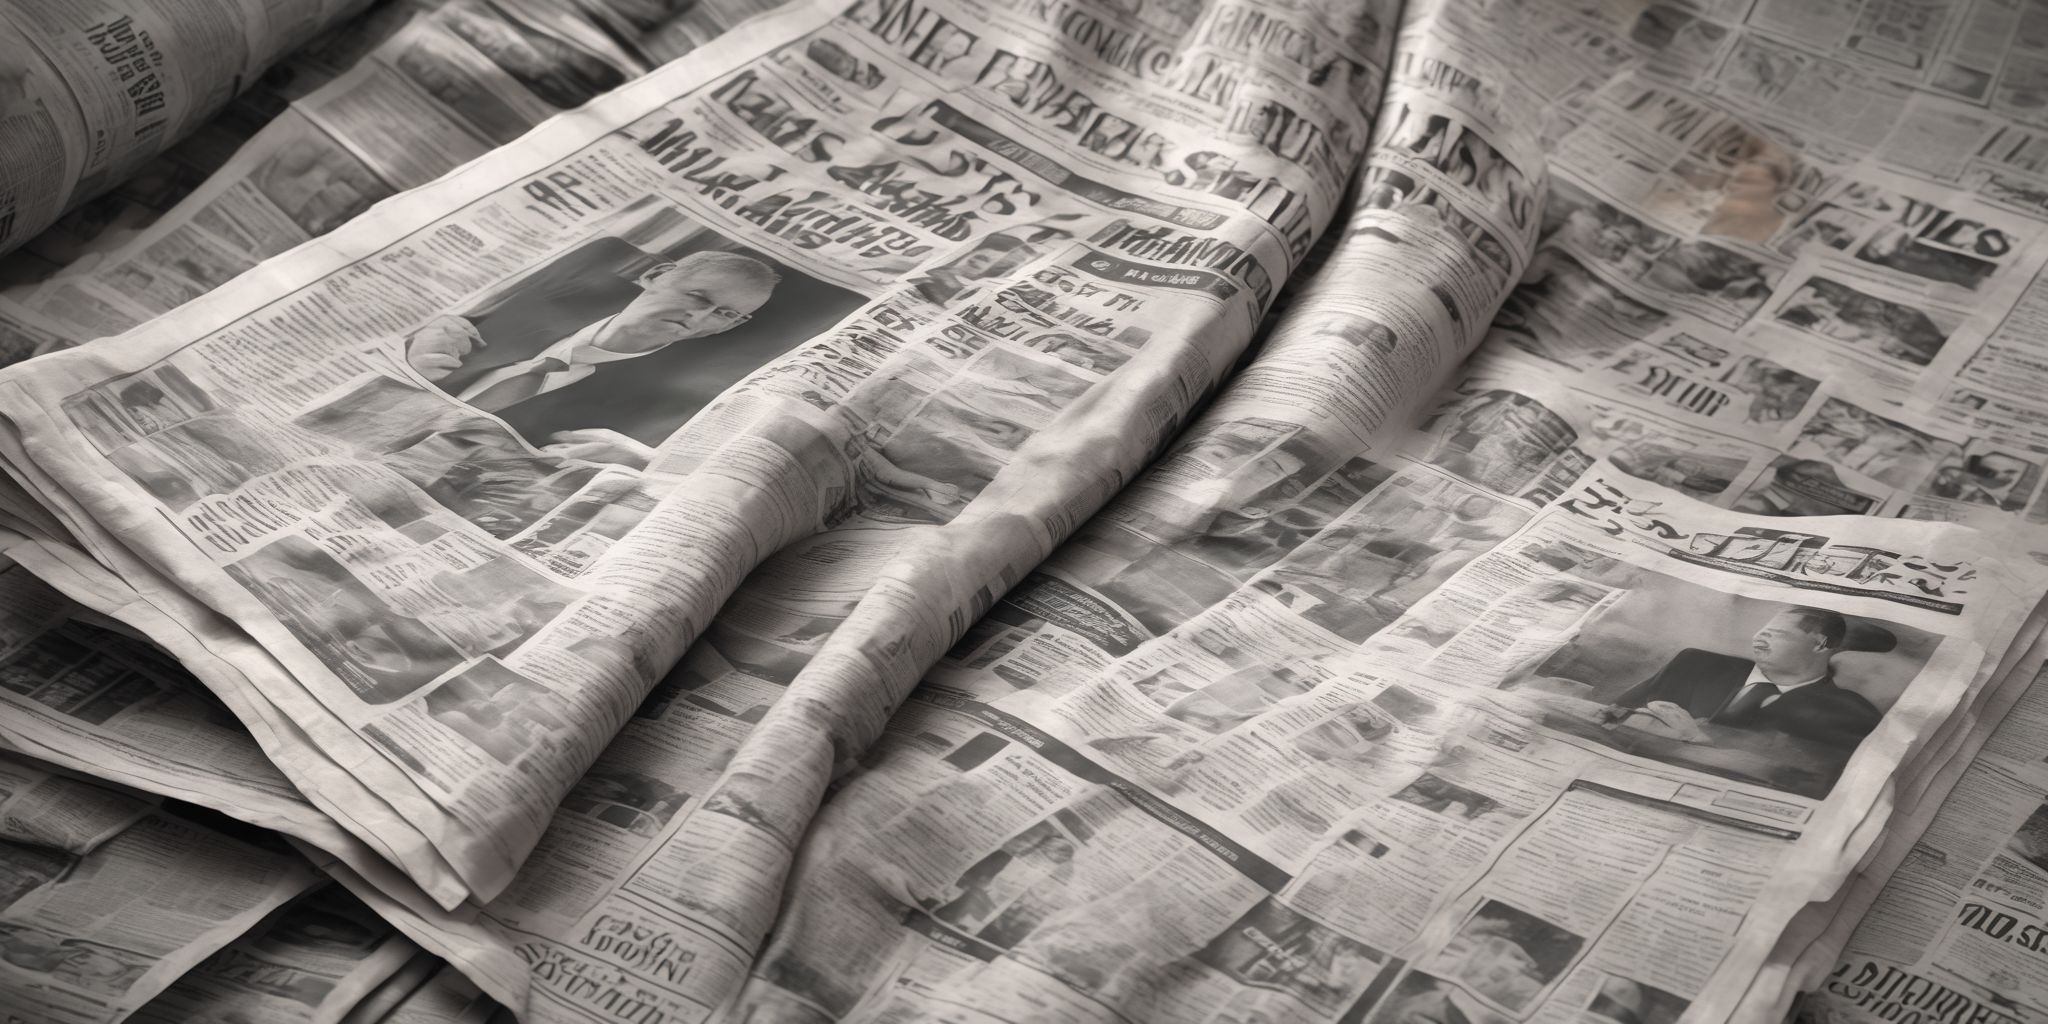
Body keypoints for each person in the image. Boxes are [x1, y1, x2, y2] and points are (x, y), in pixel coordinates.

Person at [403, 238, 778, 413]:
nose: (697, 318)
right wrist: (417, 343)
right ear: (655, 276)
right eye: (697, 297)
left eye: (725, 314)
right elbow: (432, 315)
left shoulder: (661, 399)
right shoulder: (551, 293)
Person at [1597, 607, 1882, 746]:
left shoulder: (1849, 711)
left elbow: (1799, 775)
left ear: (1820, 645)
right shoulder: (1696, 663)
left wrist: (1697, 738)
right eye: (1763, 631)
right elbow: (1610, 712)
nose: (1758, 638)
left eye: (1777, 634)